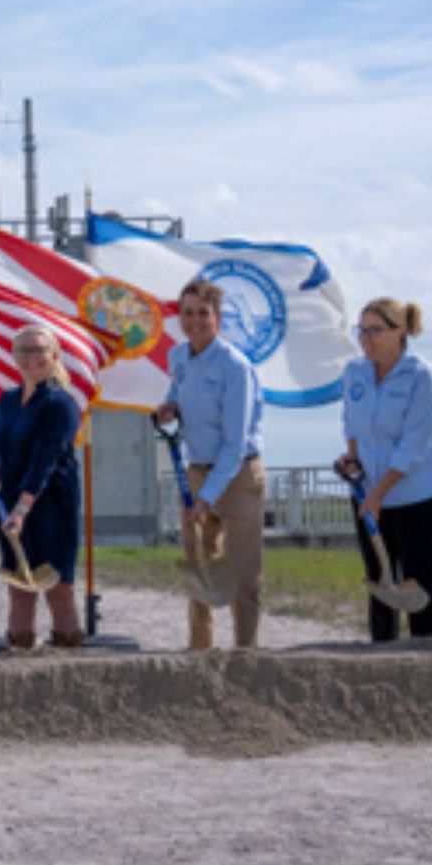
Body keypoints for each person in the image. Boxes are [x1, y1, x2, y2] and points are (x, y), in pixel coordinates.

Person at [153, 278, 265, 650]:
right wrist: (168, 409)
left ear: (218, 318)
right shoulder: (179, 357)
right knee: (198, 567)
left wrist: (206, 498)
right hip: (197, 472)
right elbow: (177, 397)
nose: (195, 321)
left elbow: (234, 445)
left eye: (203, 313)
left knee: (242, 575)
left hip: (238, 475)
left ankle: (246, 654)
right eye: (187, 313)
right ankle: (199, 650)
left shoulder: (236, 367)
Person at [333, 298, 432, 641]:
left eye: (375, 331)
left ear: (400, 332)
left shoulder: (420, 376)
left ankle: (426, 658)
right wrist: (352, 460)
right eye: (362, 331)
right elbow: (351, 424)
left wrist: (378, 495)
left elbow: (414, 445)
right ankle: (381, 654)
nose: (366, 339)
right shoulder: (355, 372)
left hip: (419, 494)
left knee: (420, 582)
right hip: (368, 492)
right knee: (379, 579)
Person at [0, 322, 83, 650]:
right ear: (14, 356)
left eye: (38, 349)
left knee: (57, 584)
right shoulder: (7, 400)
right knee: (19, 583)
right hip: (9, 503)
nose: (31, 357)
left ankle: (67, 650)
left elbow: (45, 460)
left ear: (54, 356)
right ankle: (20, 652)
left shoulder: (61, 404)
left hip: (51, 504)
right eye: (24, 350)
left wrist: (23, 508)